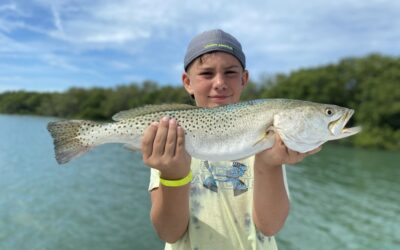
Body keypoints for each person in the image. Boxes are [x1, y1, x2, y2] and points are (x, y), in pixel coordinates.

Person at [141, 29, 320, 249]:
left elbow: (270, 227)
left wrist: (268, 164)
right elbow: (169, 231)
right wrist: (173, 175)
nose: (219, 83)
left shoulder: (269, 141)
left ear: (244, 79)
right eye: (207, 74)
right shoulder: (169, 140)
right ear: (188, 82)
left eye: (230, 72)